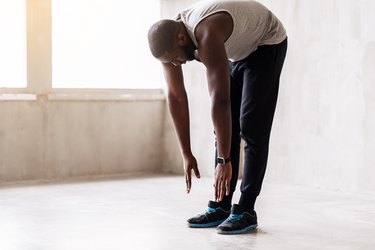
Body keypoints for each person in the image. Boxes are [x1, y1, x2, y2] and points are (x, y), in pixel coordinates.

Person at [148, 0, 287, 235]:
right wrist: (186, 153)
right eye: (168, 62)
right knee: (224, 130)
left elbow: (220, 101)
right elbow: (176, 96)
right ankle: (222, 206)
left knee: (252, 128)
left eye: (173, 58)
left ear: (181, 39)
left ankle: (246, 209)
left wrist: (223, 161)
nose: (174, 64)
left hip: (265, 41)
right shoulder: (170, 39)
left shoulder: (206, 33)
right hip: (238, 49)